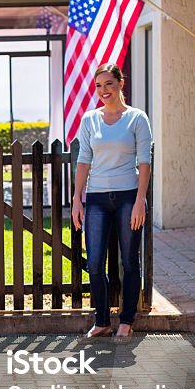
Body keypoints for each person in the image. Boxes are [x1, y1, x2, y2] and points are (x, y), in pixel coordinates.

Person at [70, 63, 152, 340]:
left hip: (129, 195)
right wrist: (77, 200)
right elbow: (83, 161)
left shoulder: (137, 118)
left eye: (109, 84)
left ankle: (127, 320)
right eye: (98, 86)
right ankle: (102, 320)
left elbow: (144, 162)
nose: (104, 91)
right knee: (94, 262)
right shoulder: (89, 120)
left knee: (129, 260)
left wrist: (141, 201)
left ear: (120, 83)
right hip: (96, 198)